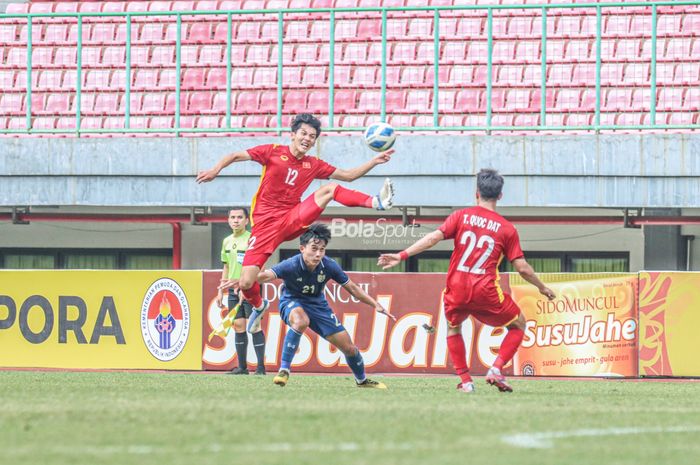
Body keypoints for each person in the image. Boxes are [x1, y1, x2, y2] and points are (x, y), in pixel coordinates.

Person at [197, 113, 395, 336]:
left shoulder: (313, 164)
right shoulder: (272, 151)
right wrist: (215, 170)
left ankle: (376, 202)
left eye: (312, 136)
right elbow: (234, 155)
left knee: (328, 190)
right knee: (245, 282)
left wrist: (373, 162)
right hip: (265, 226)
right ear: (292, 135)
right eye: (303, 133)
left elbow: (348, 176)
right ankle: (260, 305)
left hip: (292, 218)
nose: (307, 138)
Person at [378, 169, 556, 393]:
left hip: (457, 288)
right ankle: (496, 369)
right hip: (486, 290)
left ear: (476, 193)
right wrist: (542, 287)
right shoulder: (507, 229)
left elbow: (433, 238)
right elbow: (522, 268)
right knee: (519, 324)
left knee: (454, 329)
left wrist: (401, 255)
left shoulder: (461, 216)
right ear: (500, 196)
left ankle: (466, 381)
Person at [252, 223, 395, 388]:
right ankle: (284, 370)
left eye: (322, 249)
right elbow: (263, 277)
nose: (318, 253)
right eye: (313, 248)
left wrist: (375, 304)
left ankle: (362, 380)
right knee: (300, 321)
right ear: (302, 248)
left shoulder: (329, 265)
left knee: (349, 348)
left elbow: (353, 288)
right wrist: (246, 277)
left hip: (318, 306)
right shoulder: (290, 265)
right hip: (291, 301)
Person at [216, 207, 266, 375]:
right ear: (228, 220)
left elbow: (260, 266)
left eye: (239, 217)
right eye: (232, 217)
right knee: (238, 326)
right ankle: (242, 368)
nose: (236, 220)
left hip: (250, 287)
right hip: (232, 290)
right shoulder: (226, 241)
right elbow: (226, 266)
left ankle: (260, 368)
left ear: (247, 221)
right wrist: (220, 290)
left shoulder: (253, 239)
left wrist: (246, 284)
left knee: (254, 326)